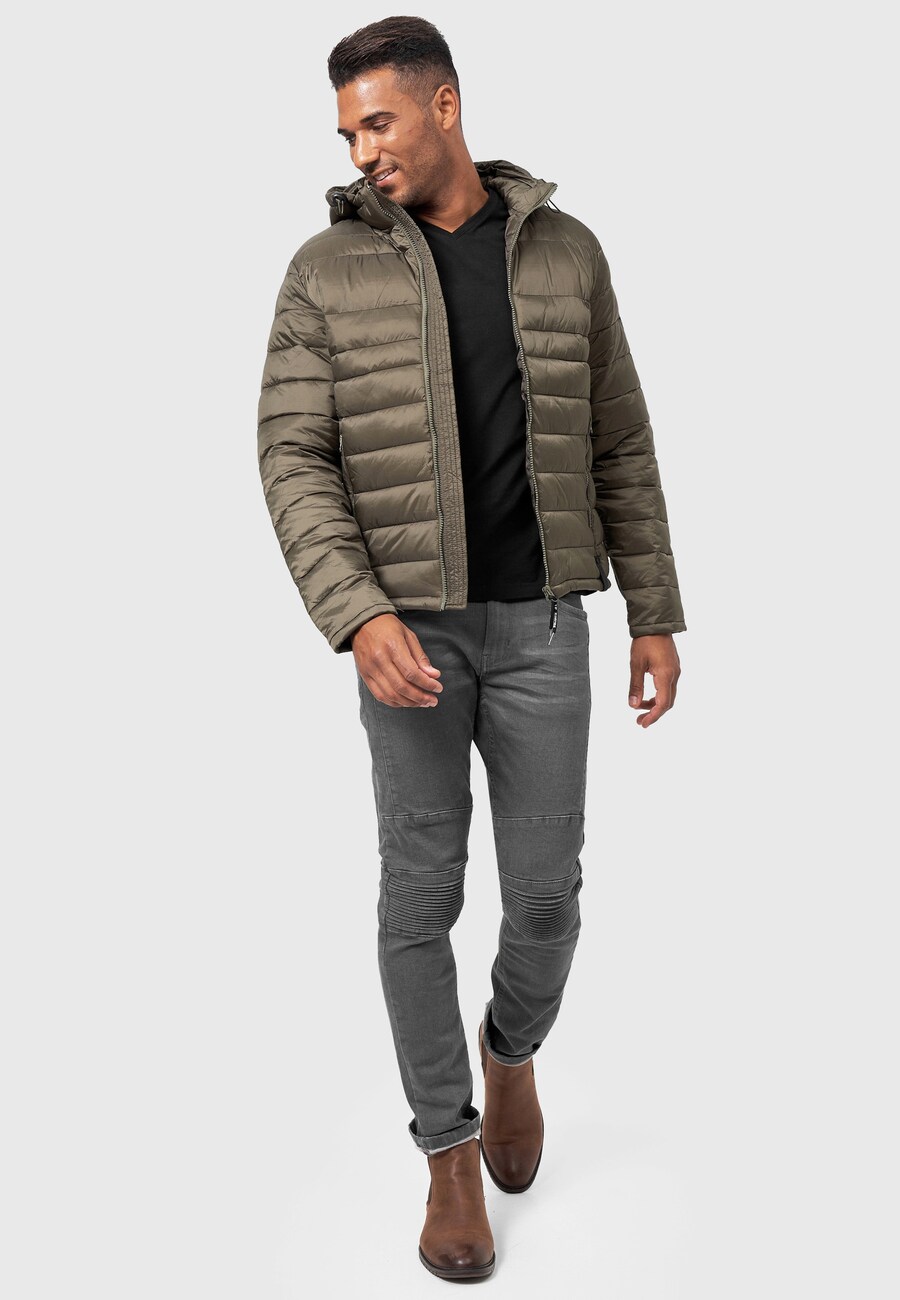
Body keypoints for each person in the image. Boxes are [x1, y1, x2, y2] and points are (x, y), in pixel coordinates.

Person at [256, 15, 686, 1282]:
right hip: (409, 637)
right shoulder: (324, 272)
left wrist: (652, 606)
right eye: (348, 132)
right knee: (419, 897)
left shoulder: (566, 251)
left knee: (547, 896)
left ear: (444, 106)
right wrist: (358, 612)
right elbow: (291, 456)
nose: (361, 151)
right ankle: (447, 1151)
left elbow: (620, 436)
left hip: (547, 619)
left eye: (378, 122)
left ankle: (511, 1053)